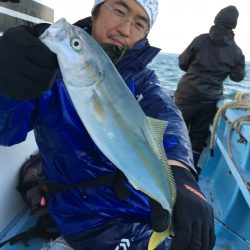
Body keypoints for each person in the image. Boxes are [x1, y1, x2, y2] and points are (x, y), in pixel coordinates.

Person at [0, 0, 215, 249]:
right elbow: (6, 130)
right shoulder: (50, 73)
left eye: (139, 23)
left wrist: (181, 176)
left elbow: (168, 120)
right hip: (89, 219)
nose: (125, 28)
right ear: (95, 12)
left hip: (145, 206)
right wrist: (7, 85)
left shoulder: (143, 81)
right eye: (119, 10)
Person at [174, 5, 245, 172]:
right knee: (197, 139)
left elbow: (183, 63)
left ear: (216, 19)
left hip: (186, 94)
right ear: (234, 25)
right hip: (208, 101)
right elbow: (238, 77)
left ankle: (167, 168)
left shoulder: (201, 40)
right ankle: (188, 173)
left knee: (174, 131)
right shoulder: (236, 52)